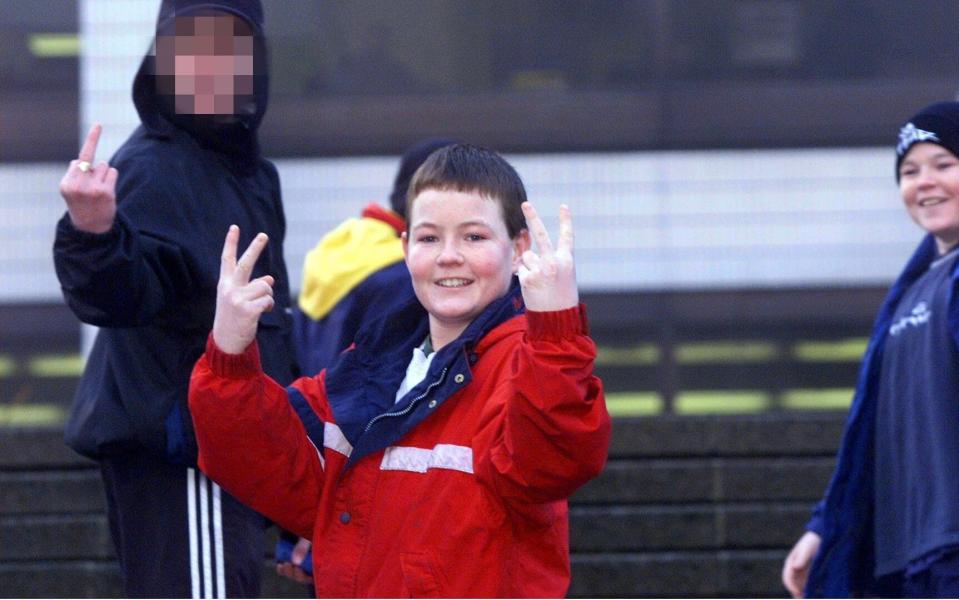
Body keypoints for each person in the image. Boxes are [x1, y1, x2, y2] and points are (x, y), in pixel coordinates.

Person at [189, 143, 612, 597]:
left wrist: (556, 330)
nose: (449, 255)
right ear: (405, 246)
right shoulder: (368, 364)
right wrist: (229, 353)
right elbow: (263, 465)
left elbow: (552, 463)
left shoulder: (530, 362)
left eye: (474, 237)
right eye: (430, 238)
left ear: (519, 247)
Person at [53, 1, 295, 597]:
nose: (210, 66)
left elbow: (273, 327)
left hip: (230, 459)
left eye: (229, 49)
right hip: (184, 461)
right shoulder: (152, 167)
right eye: (191, 49)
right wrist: (92, 231)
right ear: (162, 64)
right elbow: (120, 294)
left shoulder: (249, 173)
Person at [782, 101, 959, 598]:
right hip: (912, 555)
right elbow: (874, 434)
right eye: (909, 170)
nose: (924, 182)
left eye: (945, 164)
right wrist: (825, 527)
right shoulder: (913, 290)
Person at [276, 137, 455, 584]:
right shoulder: (402, 278)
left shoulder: (342, 251)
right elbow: (383, 394)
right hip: (369, 488)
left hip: (324, 466)